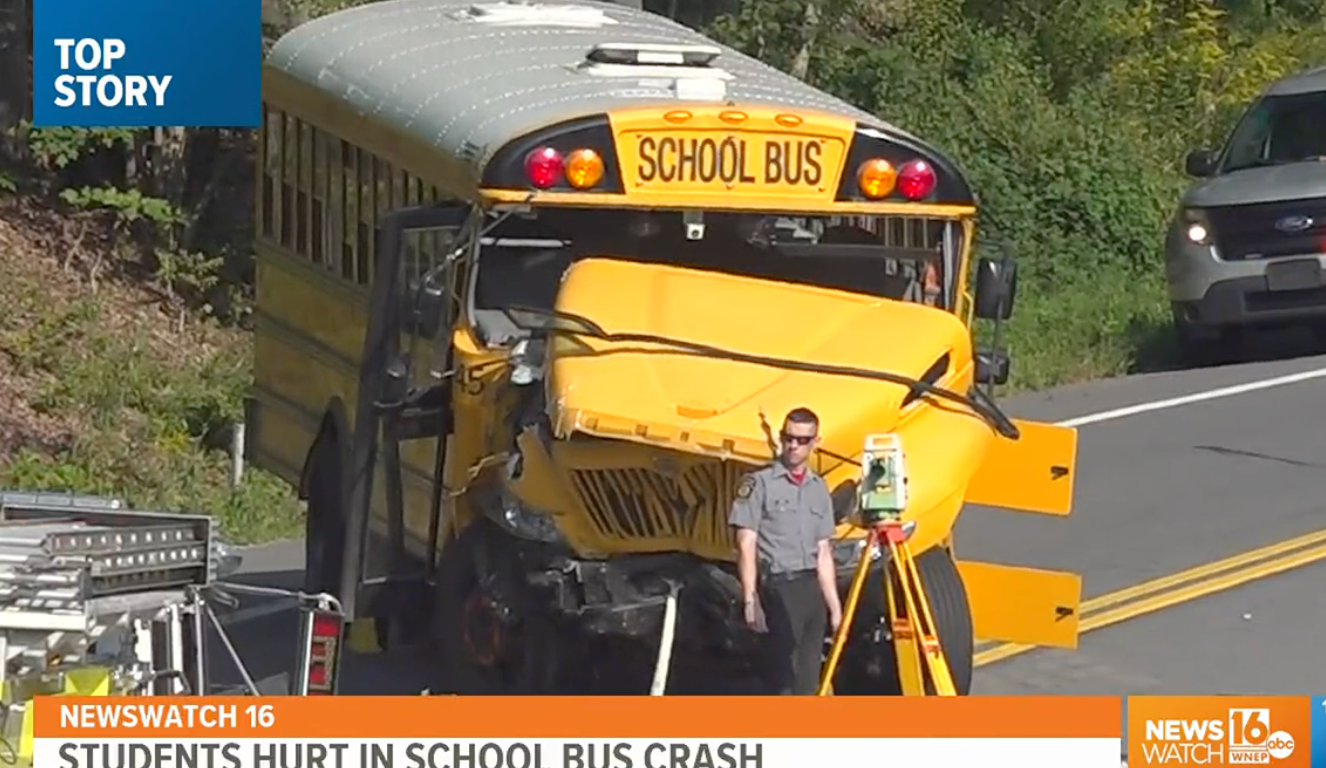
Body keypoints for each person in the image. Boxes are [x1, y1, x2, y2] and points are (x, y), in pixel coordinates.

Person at [728, 406, 844, 695]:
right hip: (779, 588)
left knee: (807, 681)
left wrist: (835, 607)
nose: (793, 445)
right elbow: (746, 543)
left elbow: (824, 552)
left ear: (816, 442)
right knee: (782, 681)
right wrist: (750, 599)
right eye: (788, 437)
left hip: (811, 591)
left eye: (802, 440)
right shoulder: (760, 484)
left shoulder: (819, 488)